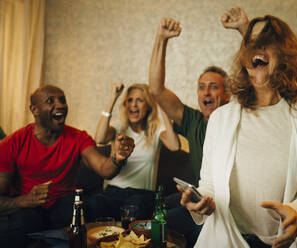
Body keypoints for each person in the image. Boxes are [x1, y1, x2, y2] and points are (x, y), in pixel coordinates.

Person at [178, 11, 297, 248]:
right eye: (251, 43)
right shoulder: (220, 118)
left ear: (285, 54)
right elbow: (208, 183)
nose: (256, 48)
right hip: (226, 239)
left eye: (266, 42)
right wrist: (200, 202)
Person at [149, 13, 243, 247]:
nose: (206, 93)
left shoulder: (236, 116)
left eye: (213, 87)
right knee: (160, 215)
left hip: (230, 204)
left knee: (169, 221)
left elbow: (251, 74)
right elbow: (156, 90)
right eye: (201, 88)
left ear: (227, 94)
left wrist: (244, 29)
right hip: (202, 197)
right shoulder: (192, 119)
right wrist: (161, 39)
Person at [0, 85, 134, 247]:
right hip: (28, 208)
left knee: (89, 208)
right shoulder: (12, 143)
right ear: (34, 110)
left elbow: (104, 169)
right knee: (21, 227)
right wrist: (25, 201)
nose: (61, 105)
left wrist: (116, 159)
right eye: (50, 101)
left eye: (62, 100)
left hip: (65, 205)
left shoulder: (78, 137)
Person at [92, 83, 180, 220]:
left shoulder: (156, 129)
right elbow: (99, 138)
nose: (133, 104)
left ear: (149, 106)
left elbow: (174, 145)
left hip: (142, 195)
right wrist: (113, 98)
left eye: (140, 100)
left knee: (135, 208)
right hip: (113, 191)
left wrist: (160, 103)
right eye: (130, 100)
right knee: (94, 204)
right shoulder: (119, 126)